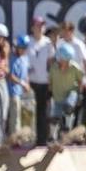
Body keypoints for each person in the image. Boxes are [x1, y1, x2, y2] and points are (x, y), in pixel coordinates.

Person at [24, 16, 57, 150]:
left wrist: (51, 82)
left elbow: (51, 63)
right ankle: (28, 139)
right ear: (32, 27)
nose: (40, 28)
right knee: (29, 112)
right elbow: (22, 61)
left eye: (42, 26)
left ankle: (42, 140)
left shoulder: (48, 43)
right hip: (30, 82)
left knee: (43, 113)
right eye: (37, 26)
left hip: (44, 82)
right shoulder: (28, 42)